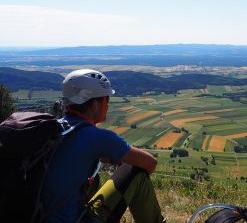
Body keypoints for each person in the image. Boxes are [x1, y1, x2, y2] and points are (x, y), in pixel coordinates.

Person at [42, 69, 165, 223]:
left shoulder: (55, 129)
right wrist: (121, 159)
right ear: (94, 104)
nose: (107, 105)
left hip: (39, 217)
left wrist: (110, 158)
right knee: (135, 170)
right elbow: (150, 163)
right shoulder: (98, 138)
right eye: (106, 99)